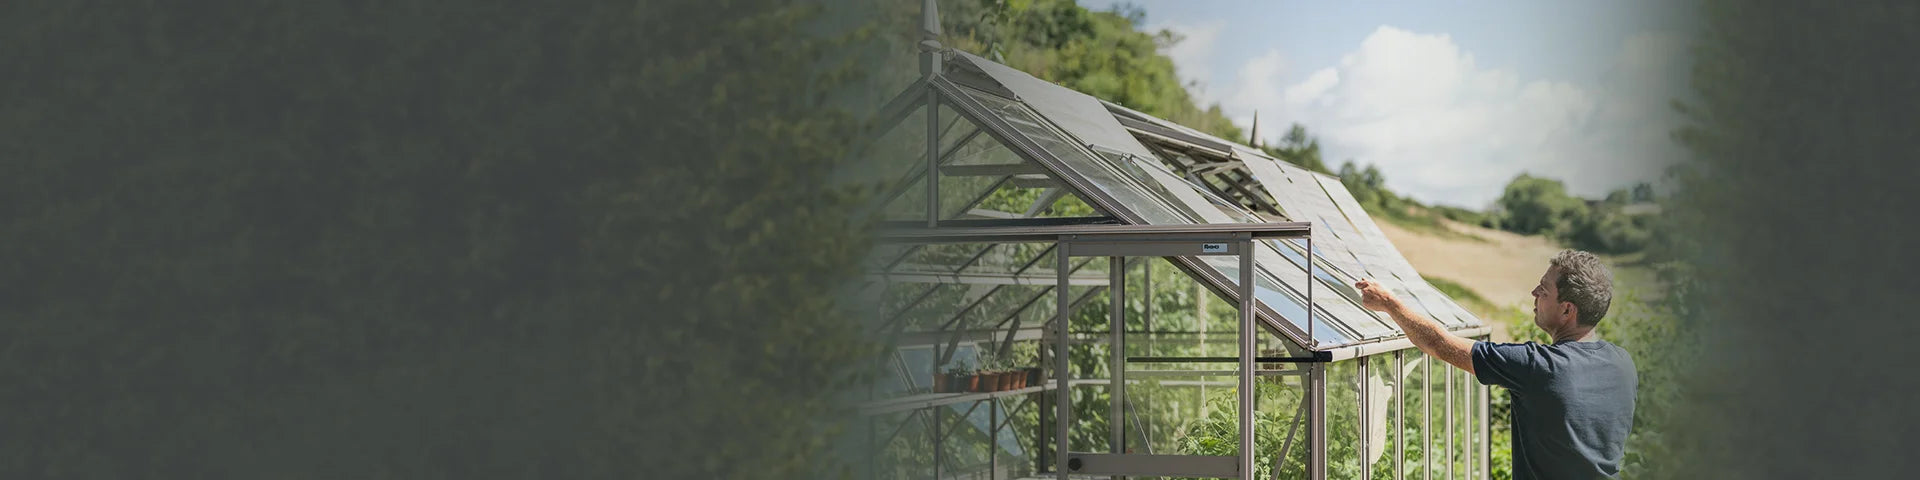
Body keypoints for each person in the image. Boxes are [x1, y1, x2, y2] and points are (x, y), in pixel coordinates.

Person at [1354, 250, 1636, 479]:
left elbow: (1439, 345)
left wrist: (1389, 303)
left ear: (1567, 309)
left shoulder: (1538, 368)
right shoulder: (1623, 365)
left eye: (1544, 289)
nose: (1534, 292)